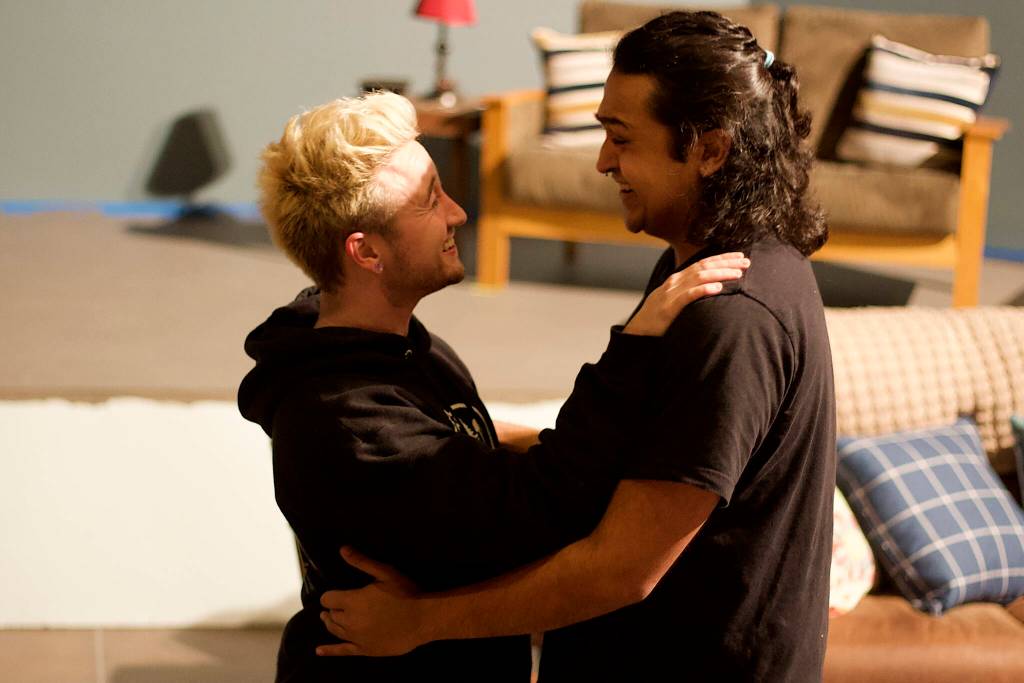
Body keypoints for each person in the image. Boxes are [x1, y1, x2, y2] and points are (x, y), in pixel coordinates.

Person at [318, 10, 836, 682]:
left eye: (621, 138)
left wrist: (421, 621)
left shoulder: (731, 317)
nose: (602, 161)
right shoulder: (701, 269)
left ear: (709, 149)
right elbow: (654, 454)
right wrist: (477, 437)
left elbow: (619, 570)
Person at [238, 90, 748, 681]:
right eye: (429, 202)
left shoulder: (394, 349)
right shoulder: (346, 420)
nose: (457, 213)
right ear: (366, 251)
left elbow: (457, 440)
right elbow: (538, 511)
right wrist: (633, 348)